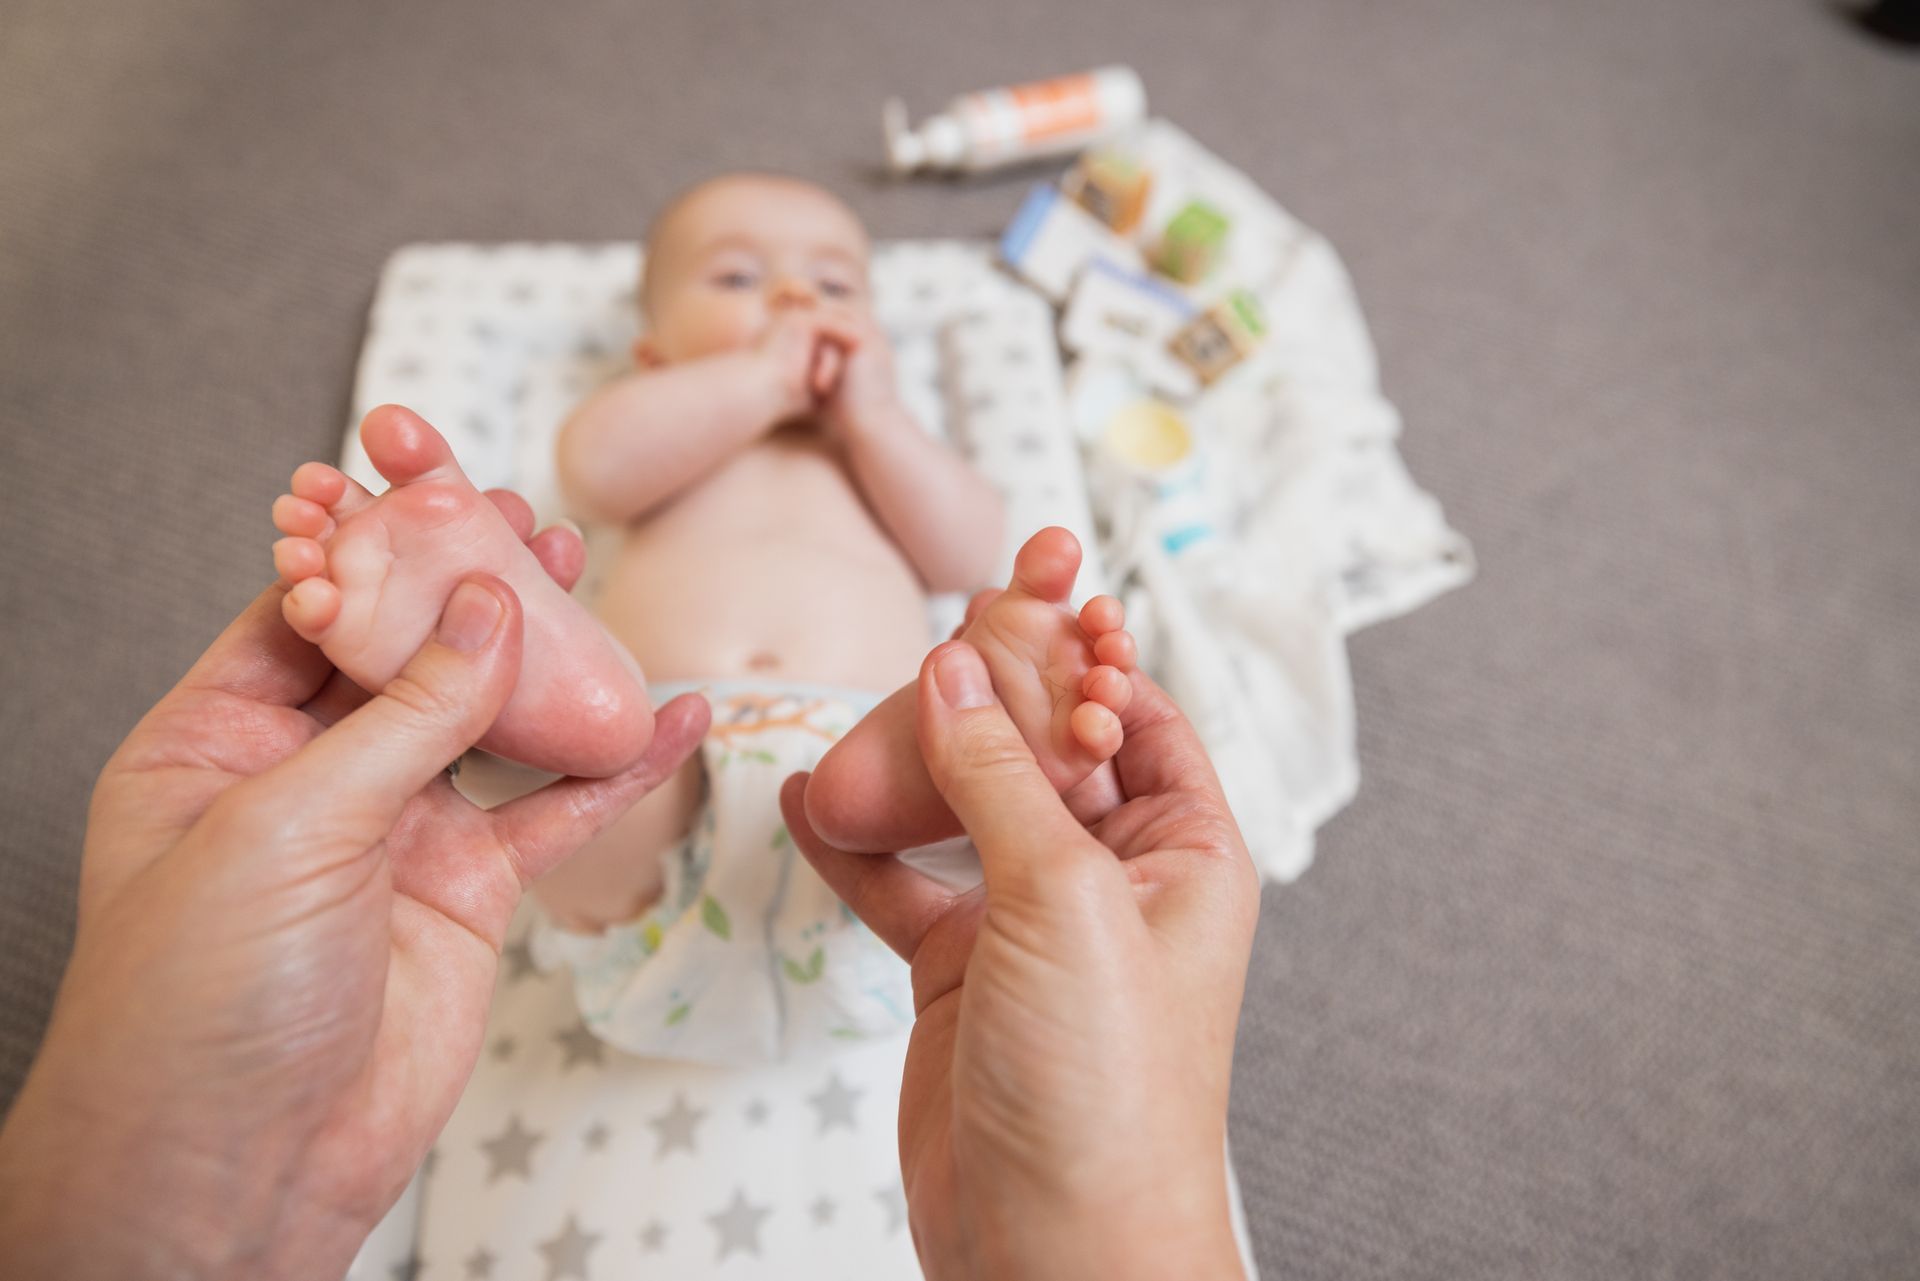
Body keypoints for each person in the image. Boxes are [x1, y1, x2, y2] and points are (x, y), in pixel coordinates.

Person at [0, 559, 1259, 1278]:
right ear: (657, 337)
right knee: (626, 810)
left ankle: (576, 726)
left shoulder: (866, 449)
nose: (789, 297)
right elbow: (607, 456)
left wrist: (867, 418)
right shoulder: (663, 435)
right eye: (734, 275)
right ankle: (564, 730)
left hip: (881, 871)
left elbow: (961, 532)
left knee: (698, 802)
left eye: (830, 279)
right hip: (750, 795)